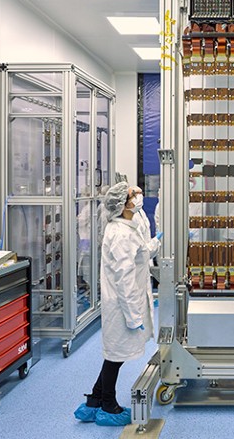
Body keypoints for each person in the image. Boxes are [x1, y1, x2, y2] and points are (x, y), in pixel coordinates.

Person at [73, 182, 161, 427]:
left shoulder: (127, 225)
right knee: (115, 356)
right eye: (134, 193)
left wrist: (156, 242)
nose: (139, 194)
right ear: (123, 204)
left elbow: (140, 252)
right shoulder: (120, 233)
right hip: (123, 302)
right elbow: (124, 279)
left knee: (115, 354)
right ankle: (109, 407)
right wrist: (133, 317)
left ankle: (94, 399)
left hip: (127, 299)